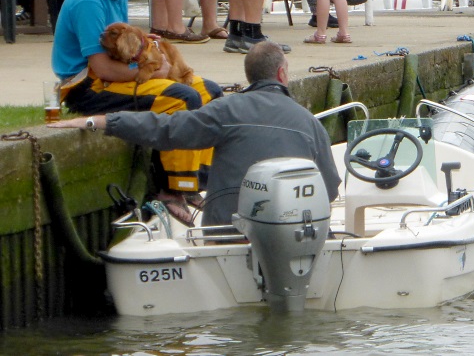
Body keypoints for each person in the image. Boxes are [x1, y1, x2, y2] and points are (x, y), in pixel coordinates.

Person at [51, 41, 341, 227]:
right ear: (281, 75)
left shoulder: (225, 111)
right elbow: (328, 191)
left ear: (249, 76)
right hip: (289, 231)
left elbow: (164, 129)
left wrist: (100, 121)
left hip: (227, 231)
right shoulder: (310, 124)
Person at [52, 0, 223, 216]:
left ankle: (197, 183)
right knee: (182, 98)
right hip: (86, 87)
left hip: (113, 74)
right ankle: (172, 190)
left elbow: (121, 50)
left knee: (209, 92)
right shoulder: (89, 0)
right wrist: (154, 73)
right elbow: (102, 67)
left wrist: (146, 47)